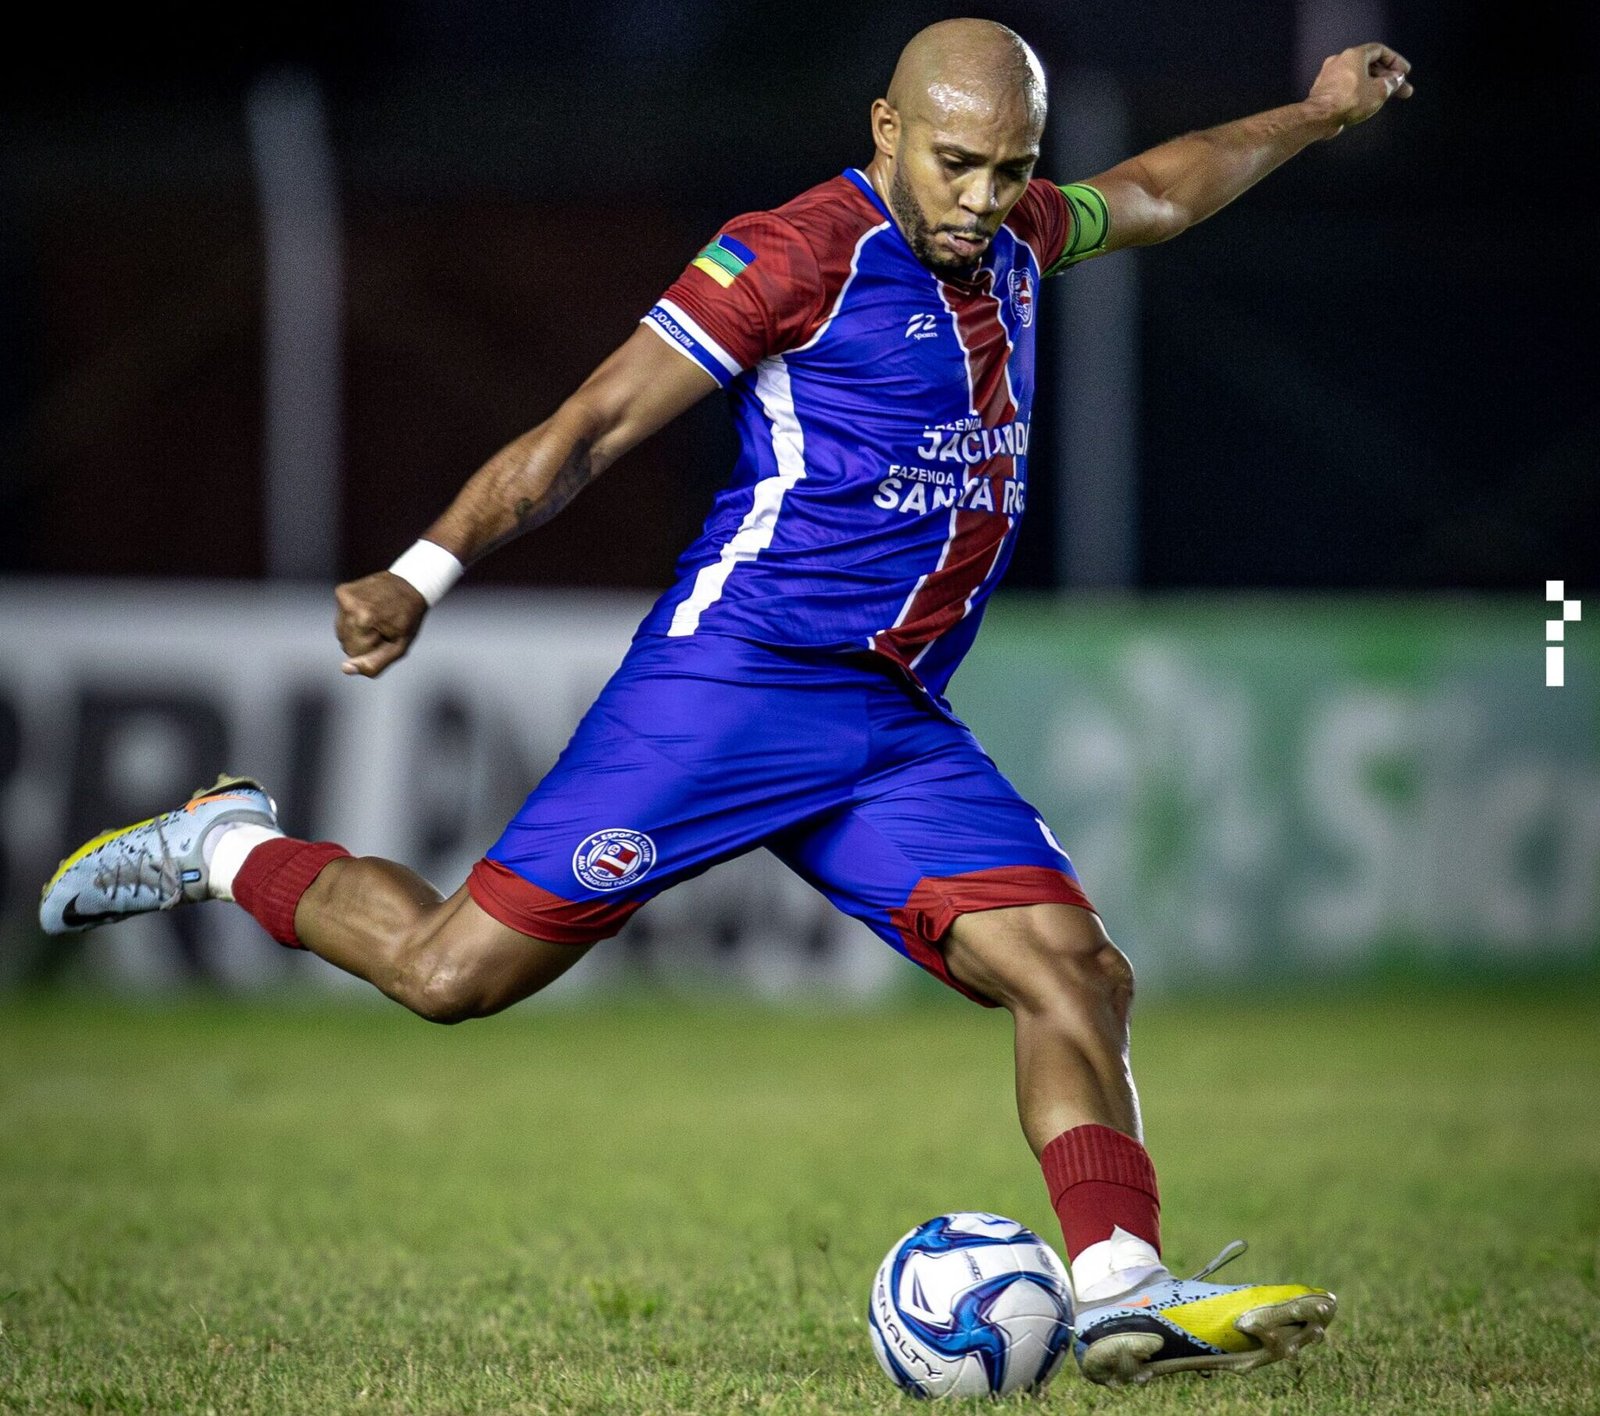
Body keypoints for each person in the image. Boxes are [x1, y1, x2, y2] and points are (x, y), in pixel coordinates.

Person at [40, 20, 1412, 1389]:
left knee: (1077, 972)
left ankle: (1123, 1288)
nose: (985, 201)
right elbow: (587, 430)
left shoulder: (1018, 235)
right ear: (885, 131)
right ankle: (227, 840)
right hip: (731, 688)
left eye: (1012, 170)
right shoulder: (795, 254)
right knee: (449, 976)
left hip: (886, 721)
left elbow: (1165, 190)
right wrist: (421, 572)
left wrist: (1313, 115)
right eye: (957, 166)